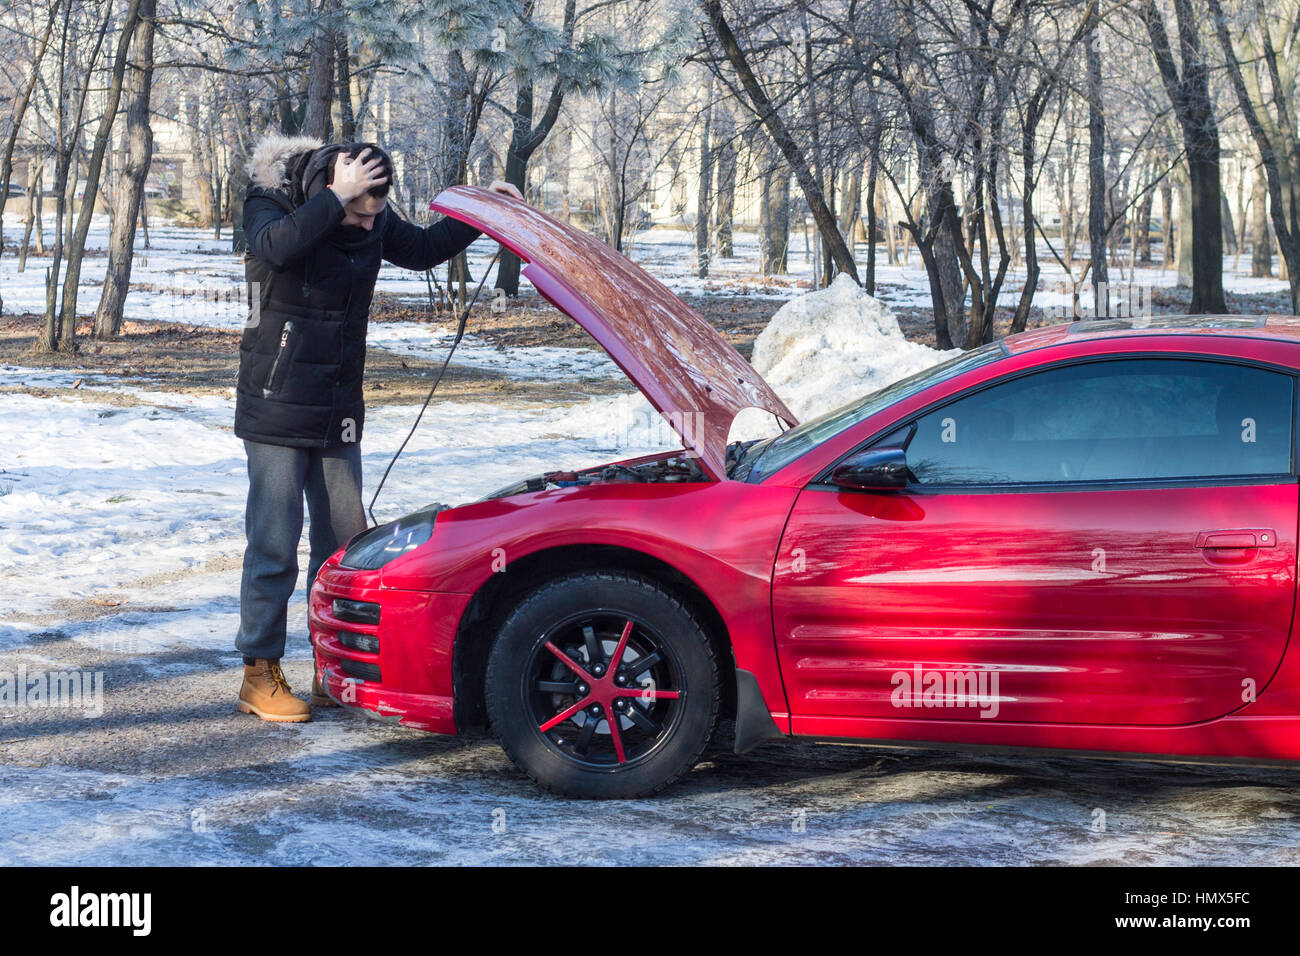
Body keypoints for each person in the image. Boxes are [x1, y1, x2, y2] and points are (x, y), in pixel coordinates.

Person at [232, 131, 521, 722]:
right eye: (359, 213)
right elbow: (276, 249)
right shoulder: (270, 203)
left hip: (337, 403)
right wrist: (336, 200)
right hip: (276, 401)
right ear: (332, 189)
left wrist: (481, 210)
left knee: (344, 545)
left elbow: (422, 248)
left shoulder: (371, 218)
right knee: (273, 544)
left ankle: (329, 666)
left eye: (377, 213)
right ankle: (258, 673)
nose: (370, 227)